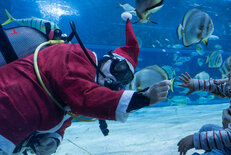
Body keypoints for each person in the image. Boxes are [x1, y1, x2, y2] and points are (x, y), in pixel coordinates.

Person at [0, 15, 171, 155]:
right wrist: (144, 98)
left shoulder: (85, 86)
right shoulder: (76, 54)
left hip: (11, 134)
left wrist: (53, 139)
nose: (116, 79)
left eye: (124, 80)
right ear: (107, 59)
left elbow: (66, 116)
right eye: (118, 68)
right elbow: (84, 98)